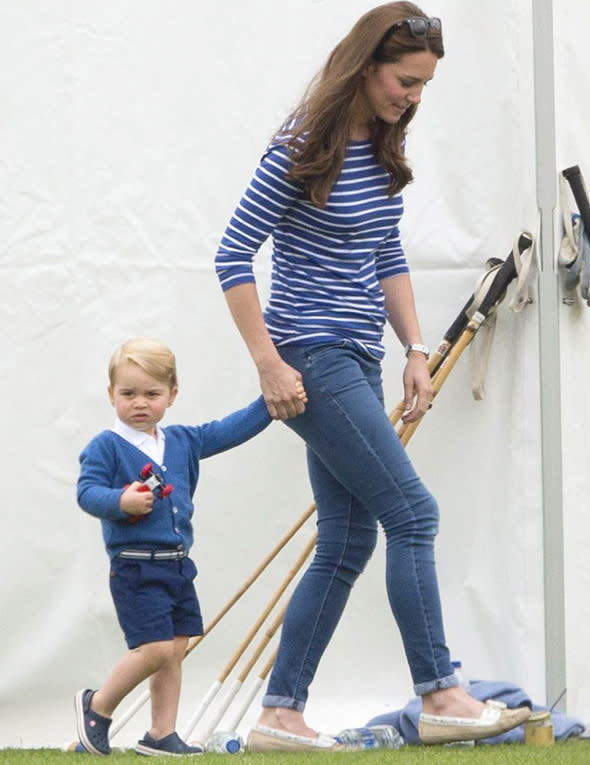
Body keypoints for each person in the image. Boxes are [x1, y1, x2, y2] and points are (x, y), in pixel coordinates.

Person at [215, 1, 531, 752]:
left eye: (424, 86)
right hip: (311, 358)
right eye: (405, 81)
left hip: (357, 356)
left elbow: (386, 257)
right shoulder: (300, 145)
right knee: (413, 514)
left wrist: (416, 349)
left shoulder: (380, 146)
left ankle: (279, 714)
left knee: (346, 540)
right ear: (365, 66)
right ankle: (442, 693)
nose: (413, 96)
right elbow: (232, 256)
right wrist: (269, 364)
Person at [74, 337, 304, 756]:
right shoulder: (104, 446)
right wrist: (121, 501)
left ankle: (161, 734)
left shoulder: (181, 441)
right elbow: (88, 493)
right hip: (135, 566)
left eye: (151, 394)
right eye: (128, 394)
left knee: (175, 649)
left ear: (172, 395)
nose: (139, 403)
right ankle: (98, 704)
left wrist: (271, 400)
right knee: (156, 649)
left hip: (178, 566)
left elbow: (230, 429)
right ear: (111, 395)